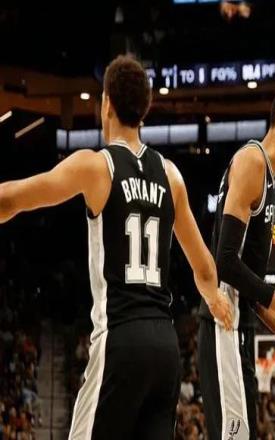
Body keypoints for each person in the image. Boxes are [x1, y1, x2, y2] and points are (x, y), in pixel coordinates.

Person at [0, 54, 233, 439]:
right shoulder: (171, 176)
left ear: (106, 102)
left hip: (121, 339)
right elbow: (205, 269)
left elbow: (12, 199)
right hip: (165, 347)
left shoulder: (97, 166)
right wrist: (216, 301)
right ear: (145, 109)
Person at [197, 88, 275, 439]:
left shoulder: (268, 178)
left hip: (239, 328)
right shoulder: (252, 161)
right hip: (223, 325)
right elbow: (224, 261)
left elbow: (250, 287)